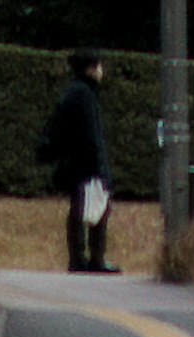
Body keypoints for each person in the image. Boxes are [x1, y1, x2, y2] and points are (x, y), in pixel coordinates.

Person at [44, 52, 112, 266]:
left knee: (81, 207)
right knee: (98, 208)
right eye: (99, 66)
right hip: (86, 165)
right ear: (91, 69)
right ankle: (93, 259)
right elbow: (91, 134)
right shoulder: (85, 95)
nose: (102, 71)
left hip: (74, 163)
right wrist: (99, 167)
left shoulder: (74, 92)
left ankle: (79, 257)